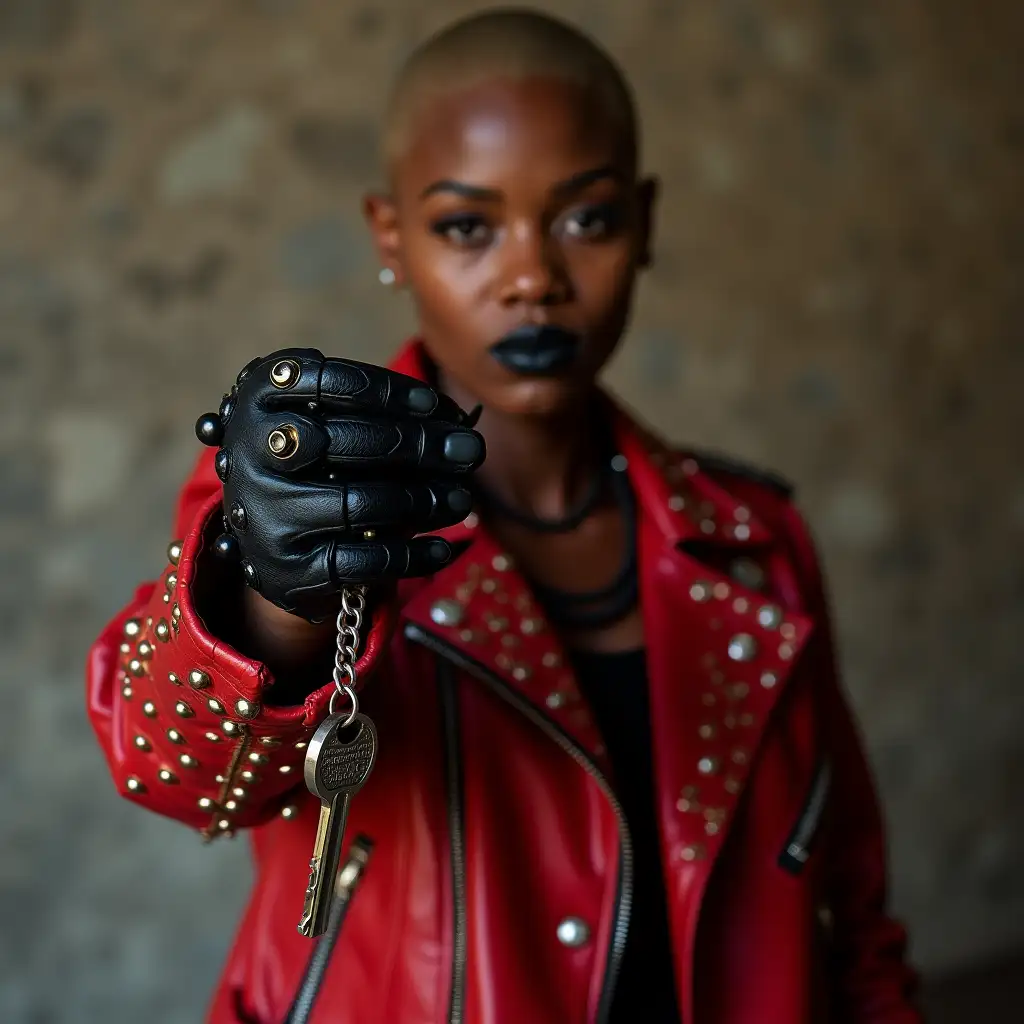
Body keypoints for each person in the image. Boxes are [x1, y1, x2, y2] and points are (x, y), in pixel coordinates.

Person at [86, 8, 922, 1023]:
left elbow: (854, 917)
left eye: (586, 218)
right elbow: (172, 771)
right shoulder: (289, 515)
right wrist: (275, 599)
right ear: (389, 236)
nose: (533, 277)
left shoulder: (755, 542)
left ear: (646, 224)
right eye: (466, 226)